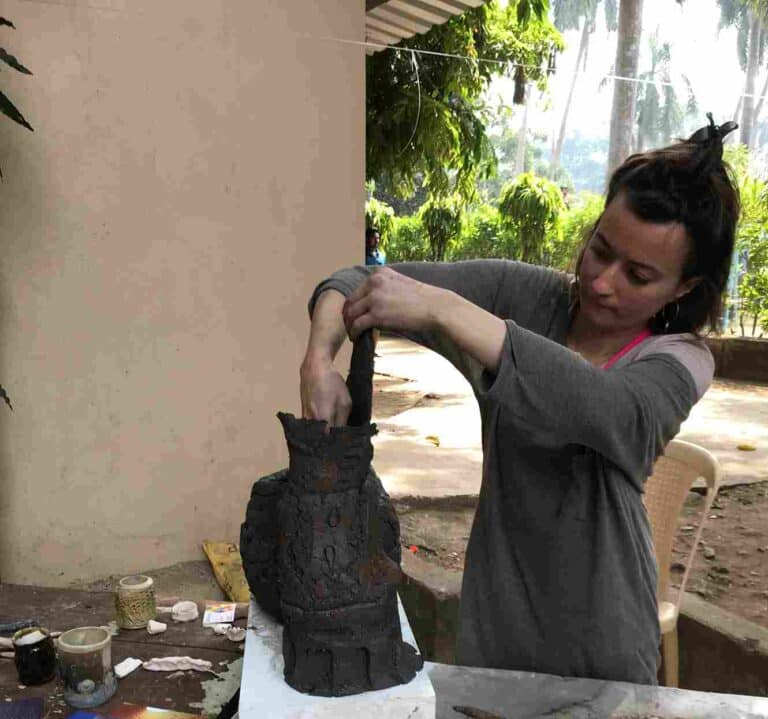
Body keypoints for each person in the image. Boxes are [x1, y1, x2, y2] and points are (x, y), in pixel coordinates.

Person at [300, 119, 740, 686]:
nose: (602, 282)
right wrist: (319, 359)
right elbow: (356, 281)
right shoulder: (528, 297)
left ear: (683, 287)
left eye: (638, 275)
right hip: (494, 631)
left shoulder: (679, 360)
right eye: (600, 250)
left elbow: (610, 410)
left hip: (604, 652)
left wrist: (446, 309)